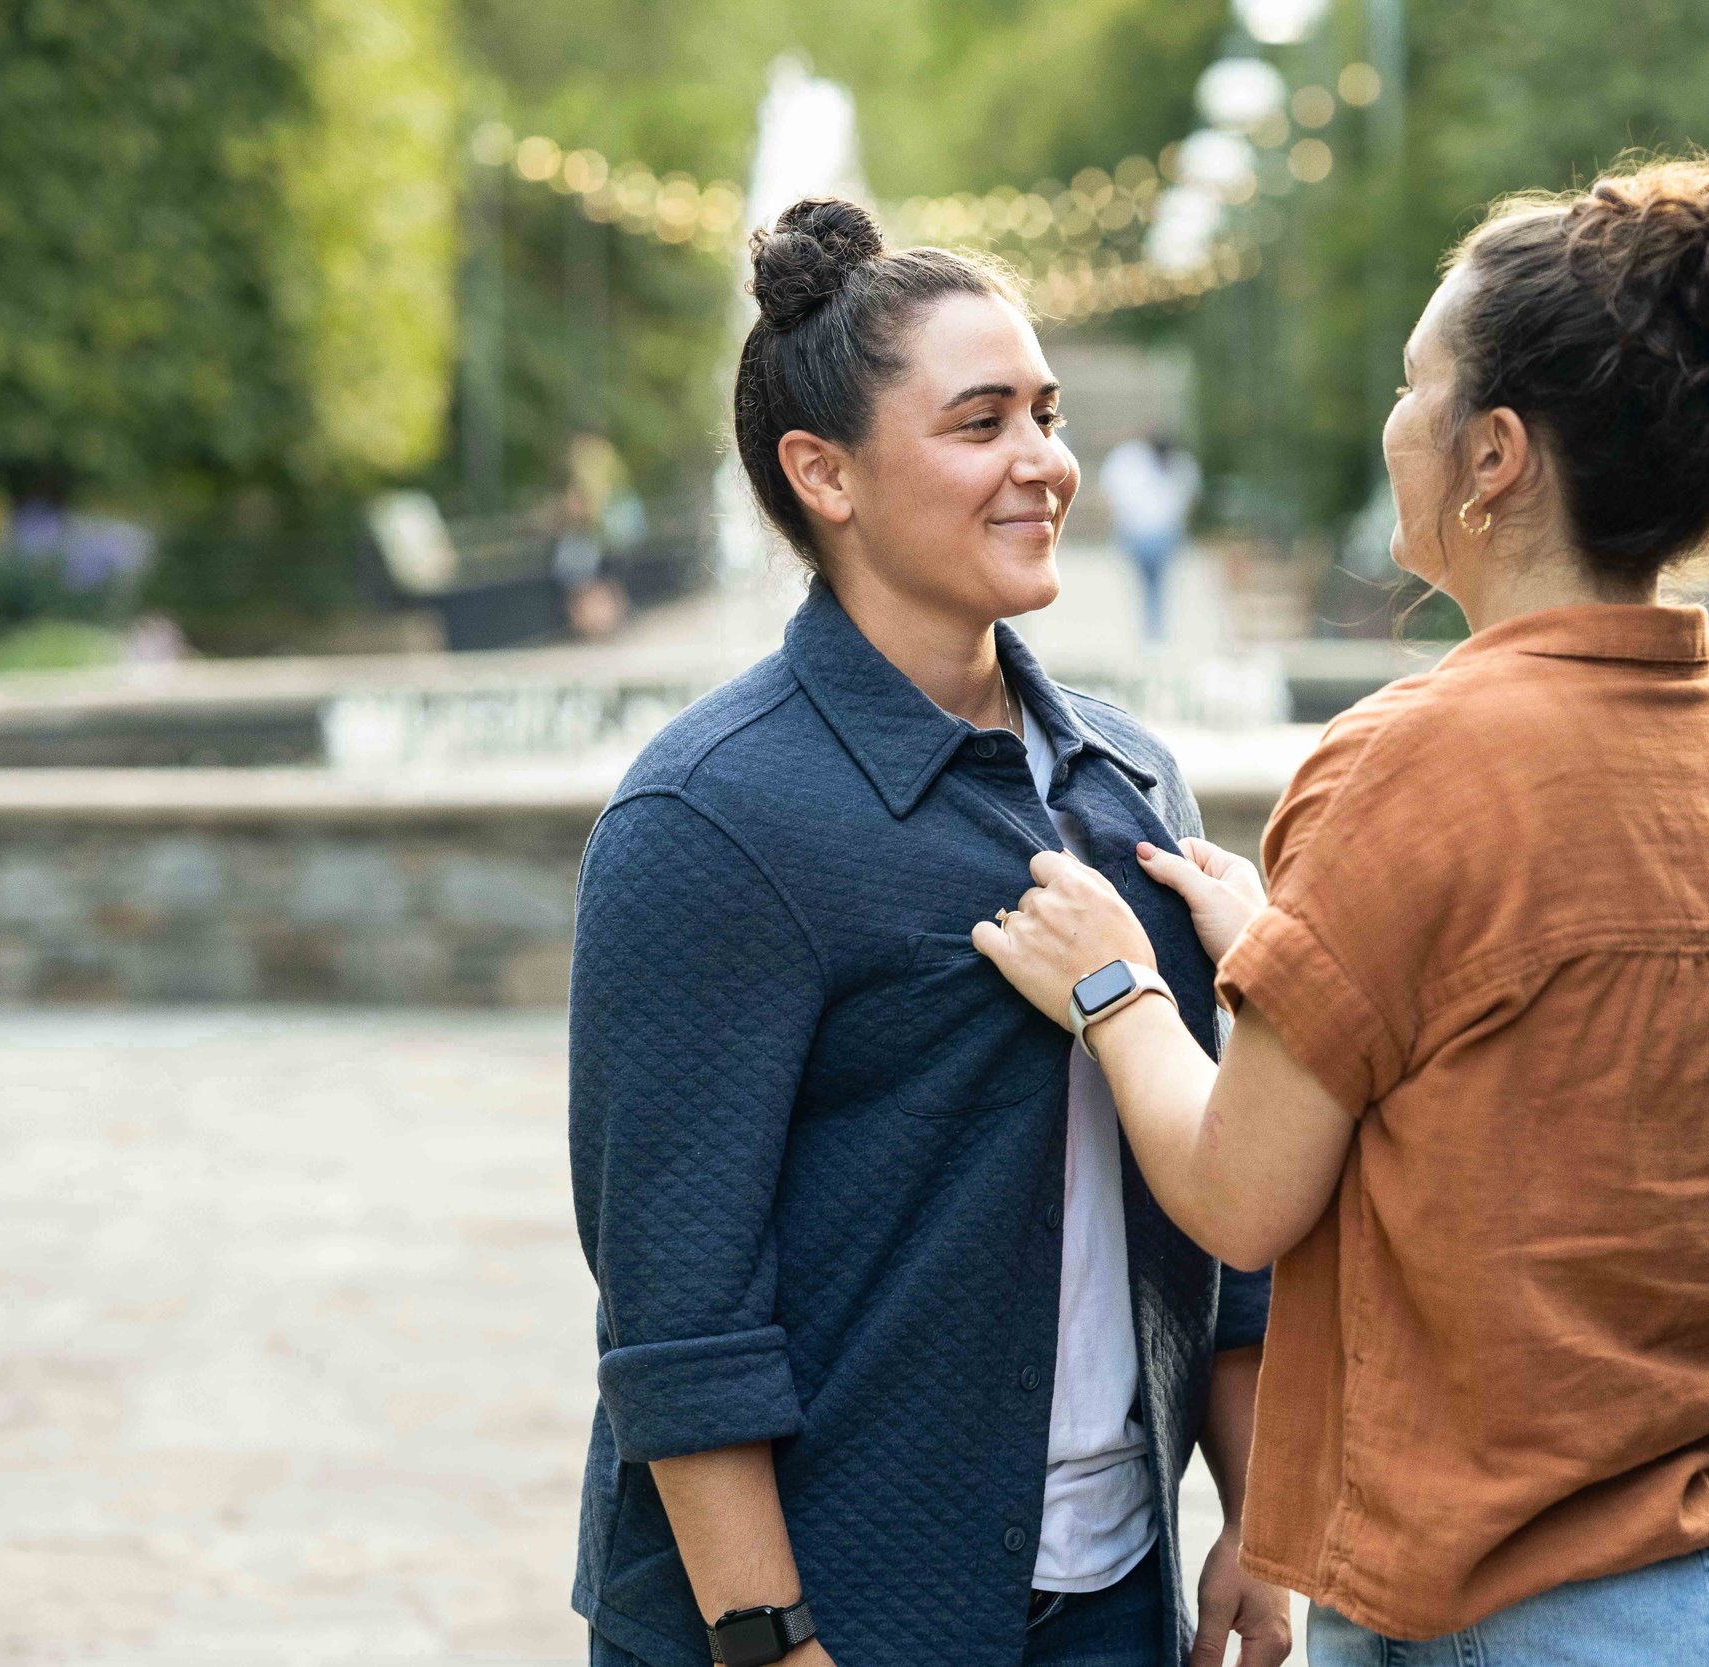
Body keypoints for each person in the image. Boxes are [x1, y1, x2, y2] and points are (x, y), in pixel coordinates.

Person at [974, 157, 1709, 1665]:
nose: (1391, 422)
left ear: (1494, 454)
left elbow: (1237, 1193)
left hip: (1530, 1610)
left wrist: (1118, 988)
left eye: (1416, 386)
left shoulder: (1411, 762)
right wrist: (1300, 950)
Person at [566, 198, 1289, 1667]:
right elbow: (677, 1305)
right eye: (981, 423)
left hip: (1115, 1601)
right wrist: (774, 1642)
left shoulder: (1130, 782)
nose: (1047, 463)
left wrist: (1256, 1527)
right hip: (823, 1613)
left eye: (1048, 411)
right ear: (822, 472)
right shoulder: (708, 818)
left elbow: (1222, 1214)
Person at [1098, 433, 1200, 644]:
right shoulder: (1176, 465)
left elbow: (1109, 495)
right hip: (1156, 534)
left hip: (1143, 533)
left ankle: (1152, 631)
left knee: (1150, 584)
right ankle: (1154, 631)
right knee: (1156, 584)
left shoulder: (1129, 461)